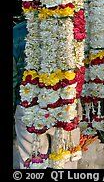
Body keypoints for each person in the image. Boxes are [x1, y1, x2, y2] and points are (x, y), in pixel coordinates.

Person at [13, 20, 81, 169]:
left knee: (32, 162)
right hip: (65, 107)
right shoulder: (72, 28)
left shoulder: (17, 32)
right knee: (66, 160)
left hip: (28, 107)